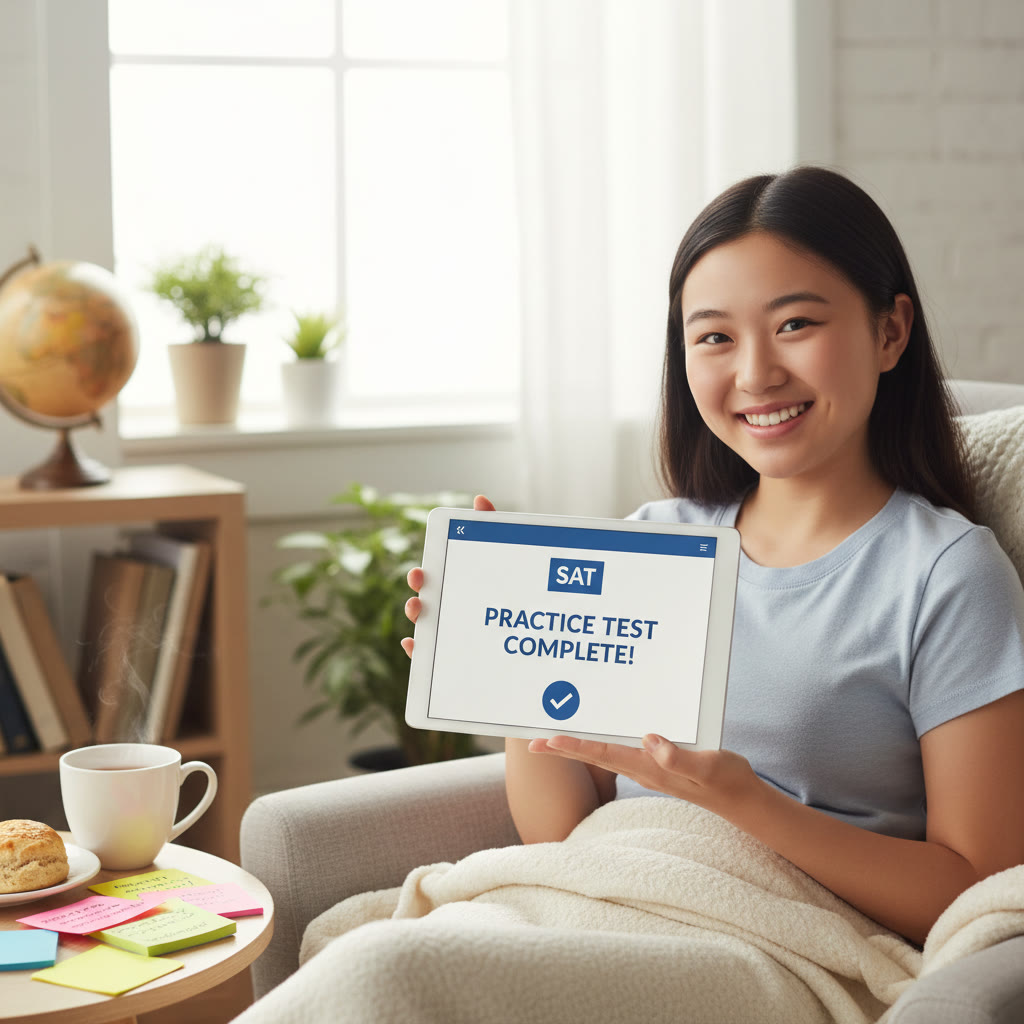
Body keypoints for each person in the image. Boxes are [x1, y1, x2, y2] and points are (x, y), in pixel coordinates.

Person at [403, 165, 1024, 949]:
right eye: (715, 338)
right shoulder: (653, 545)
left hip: (783, 950)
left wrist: (748, 803)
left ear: (890, 331)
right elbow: (561, 830)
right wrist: (510, 663)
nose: (756, 373)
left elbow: (983, 891)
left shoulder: (944, 575)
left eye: (796, 324)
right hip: (608, 911)